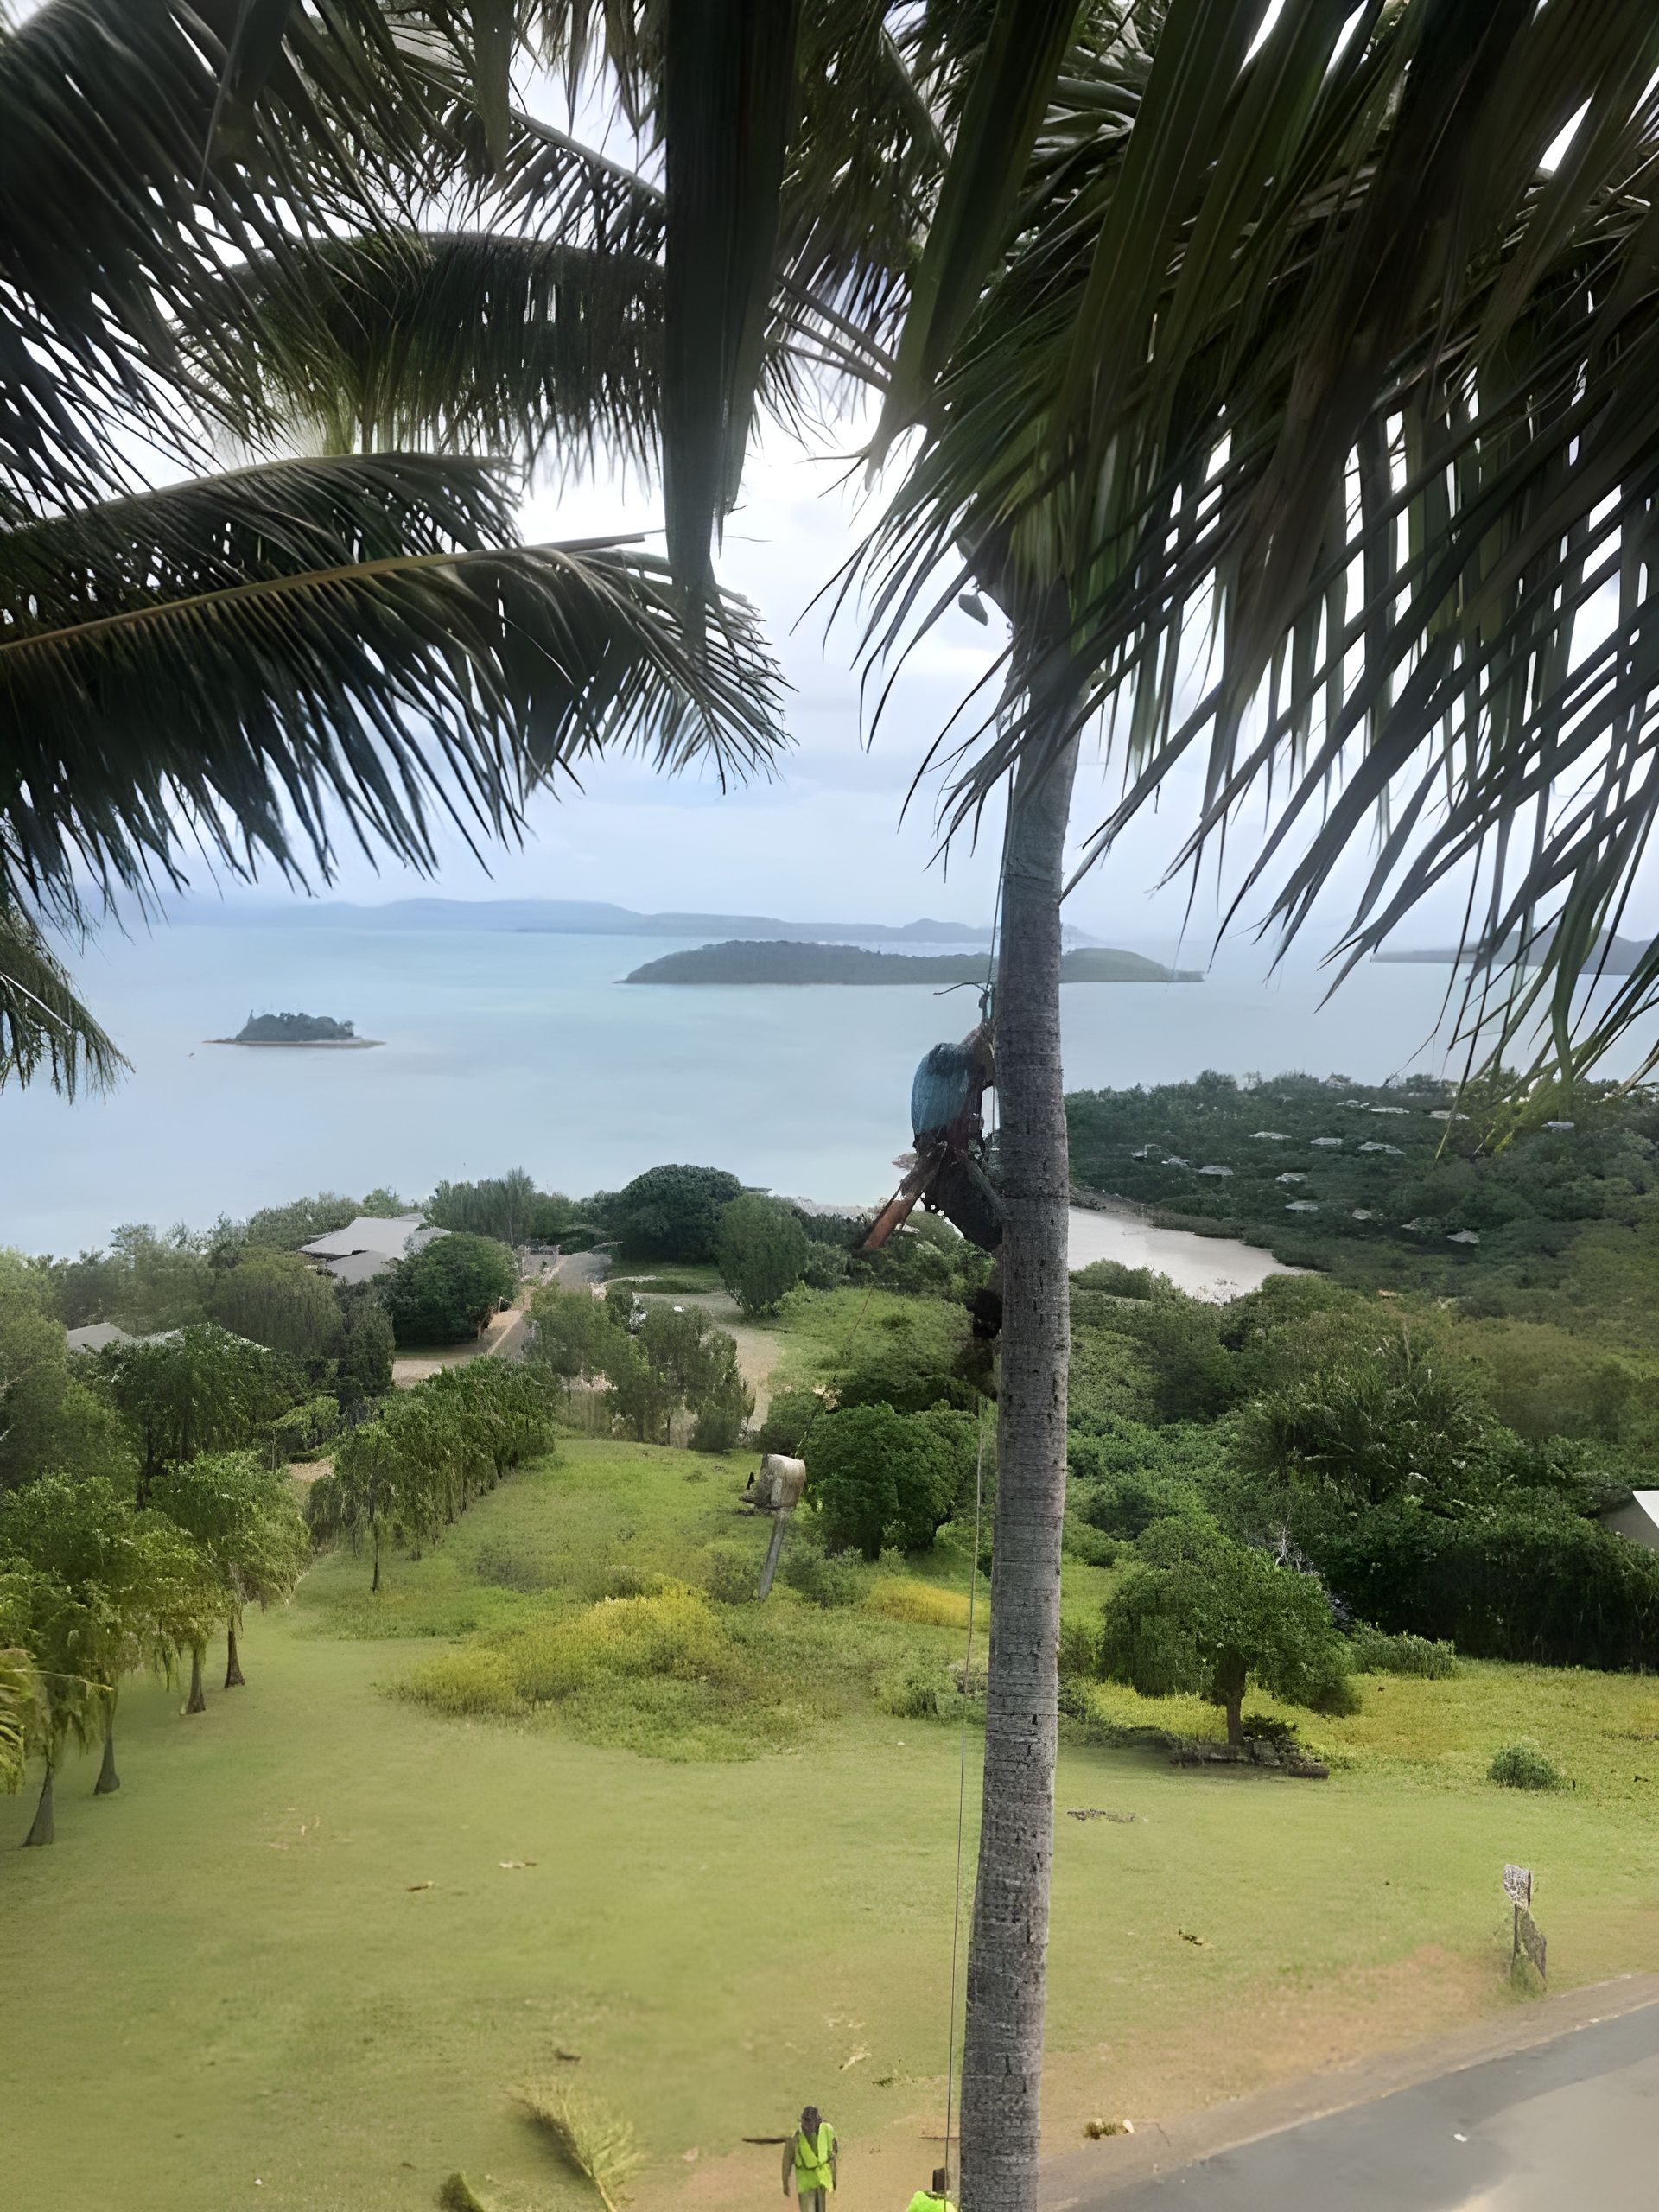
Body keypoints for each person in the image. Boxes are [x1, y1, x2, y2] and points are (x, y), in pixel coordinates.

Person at [783, 2104, 837, 2210]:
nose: (810, 2125)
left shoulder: (826, 2133)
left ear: (818, 2121)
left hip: (822, 2180)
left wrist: (833, 2179)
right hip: (806, 2183)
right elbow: (787, 2161)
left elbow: (832, 2158)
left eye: (812, 2121)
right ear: (803, 2122)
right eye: (807, 2121)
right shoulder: (795, 2139)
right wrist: (785, 2183)